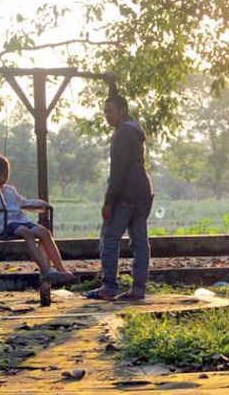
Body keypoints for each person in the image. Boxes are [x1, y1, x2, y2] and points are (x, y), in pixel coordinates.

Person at [84, 94, 154, 301]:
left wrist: (109, 201)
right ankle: (139, 287)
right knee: (140, 241)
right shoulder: (135, 130)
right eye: (105, 112)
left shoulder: (122, 134)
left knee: (109, 237)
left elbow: (118, 171)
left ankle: (109, 286)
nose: (107, 116)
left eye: (110, 111)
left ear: (123, 110)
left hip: (126, 194)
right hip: (143, 192)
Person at [0, 154, 76, 285]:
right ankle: (46, 270)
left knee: (44, 232)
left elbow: (22, 202)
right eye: (2, 175)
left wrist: (39, 204)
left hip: (19, 221)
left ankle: (61, 269)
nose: (4, 178)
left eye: (6, 174)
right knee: (25, 232)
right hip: (3, 224)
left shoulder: (9, 190)